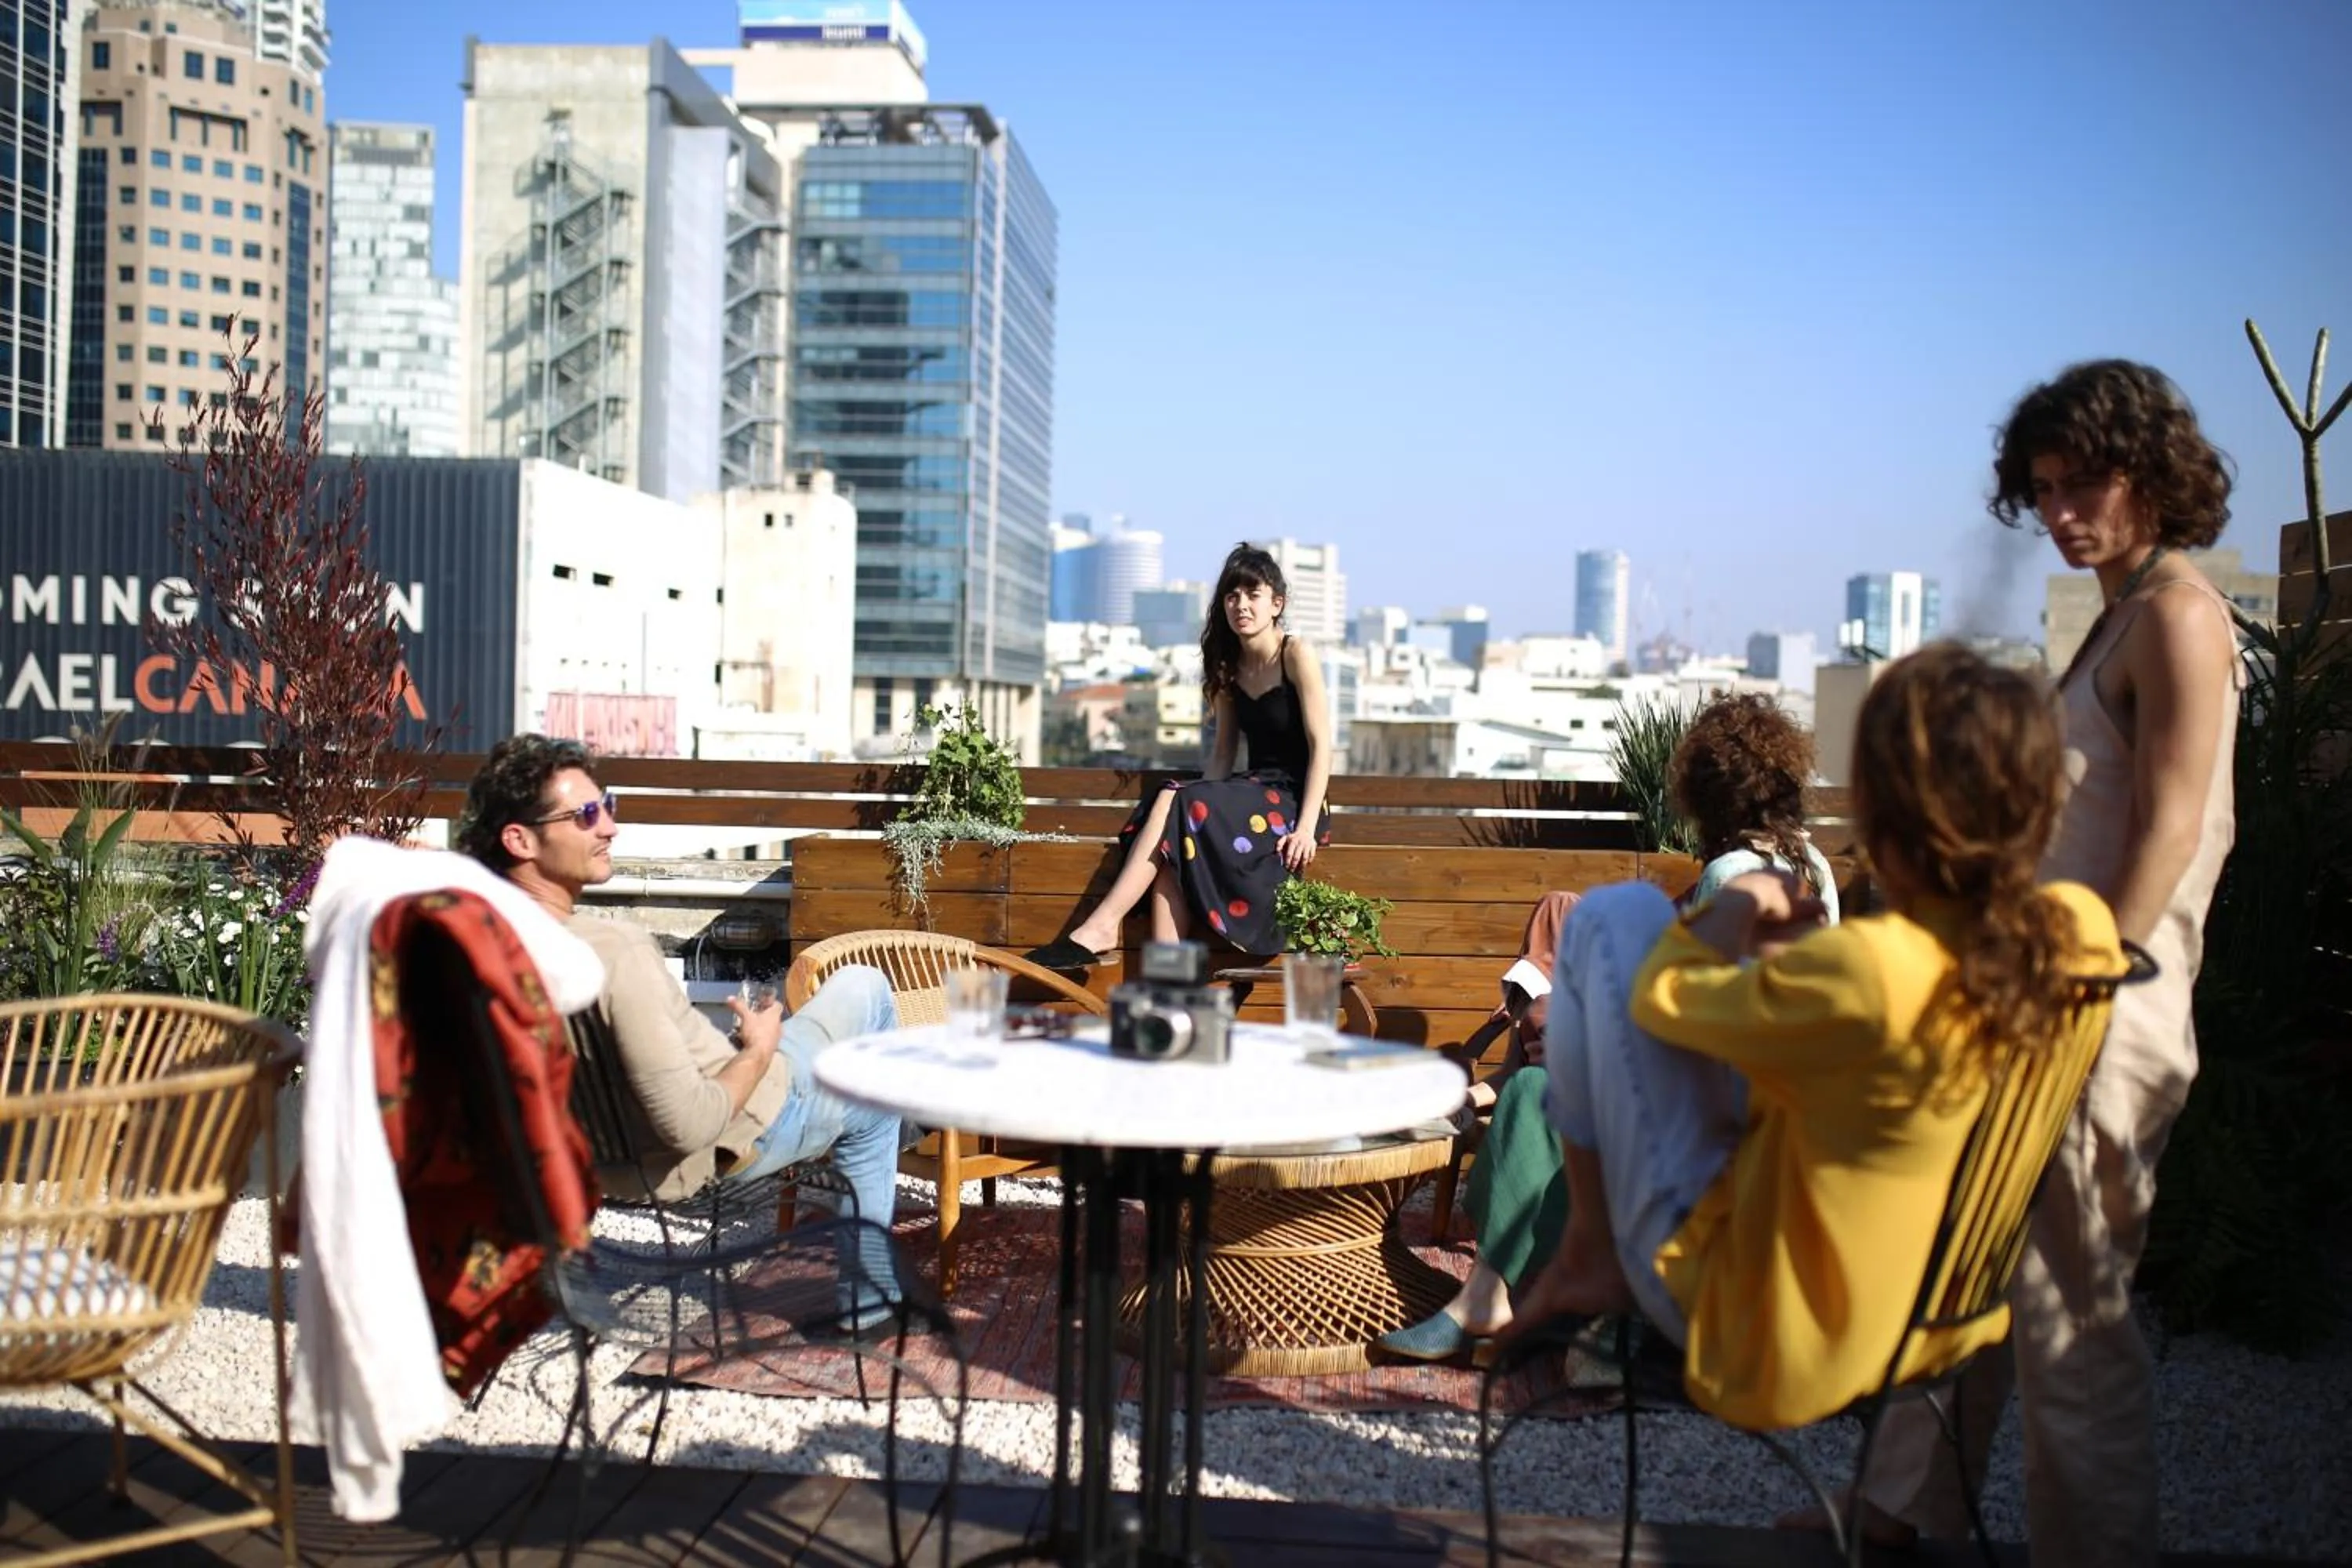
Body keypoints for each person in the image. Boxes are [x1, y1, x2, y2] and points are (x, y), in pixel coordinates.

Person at [1501, 645, 2130, 1439]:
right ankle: (1588, 1253)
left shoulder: (1874, 970)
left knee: (1612, 916)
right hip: (1945, 1314)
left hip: (1779, 1330)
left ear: (1888, 809)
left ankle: (1589, 1249)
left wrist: (1732, 913)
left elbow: (1662, 1000)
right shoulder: (2076, 933)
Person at [1846, 361, 2241, 1564]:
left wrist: (2083, 979)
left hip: (2100, 1017)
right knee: (1966, 1282)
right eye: (2046, 490)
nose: (2062, 513)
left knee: (2072, 1337)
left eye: (2084, 485)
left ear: (2152, 472)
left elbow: (2174, 824)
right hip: (2048, 1011)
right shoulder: (2123, 612)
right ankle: (1894, 1519)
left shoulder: (2176, 613)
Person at [1378, 695, 1838, 1363]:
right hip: (1773, 1124)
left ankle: (1504, 1293)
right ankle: (1495, 1293)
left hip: (1711, 1142)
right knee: (1541, 1079)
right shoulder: (1813, 870)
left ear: (1704, 796)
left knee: (1536, 1091)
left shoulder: (1731, 876)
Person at [456, 734, 908, 1334]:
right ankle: (869, 1307)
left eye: (609, 805)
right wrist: (758, 1049)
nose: (610, 826)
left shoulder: (480, 950)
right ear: (520, 839)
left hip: (610, 1161)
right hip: (741, 1130)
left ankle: (906, 1116)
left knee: (859, 985)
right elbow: (693, 1124)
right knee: (873, 1067)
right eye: (587, 814)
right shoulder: (613, 952)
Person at [1025, 543, 1333, 967]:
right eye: (1231, 595)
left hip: (1296, 802)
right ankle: (1167, 977)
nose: (1240, 604)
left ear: (1276, 604)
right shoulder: (1227, 666)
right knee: (1175, 815)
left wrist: (1306, 829)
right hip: (1253, 792)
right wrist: (1207, 801)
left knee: (1179, 803)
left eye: (1252, 595)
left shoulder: (1296, 654)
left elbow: (1322, 747)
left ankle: (1102, 928)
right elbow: (1223, 753)